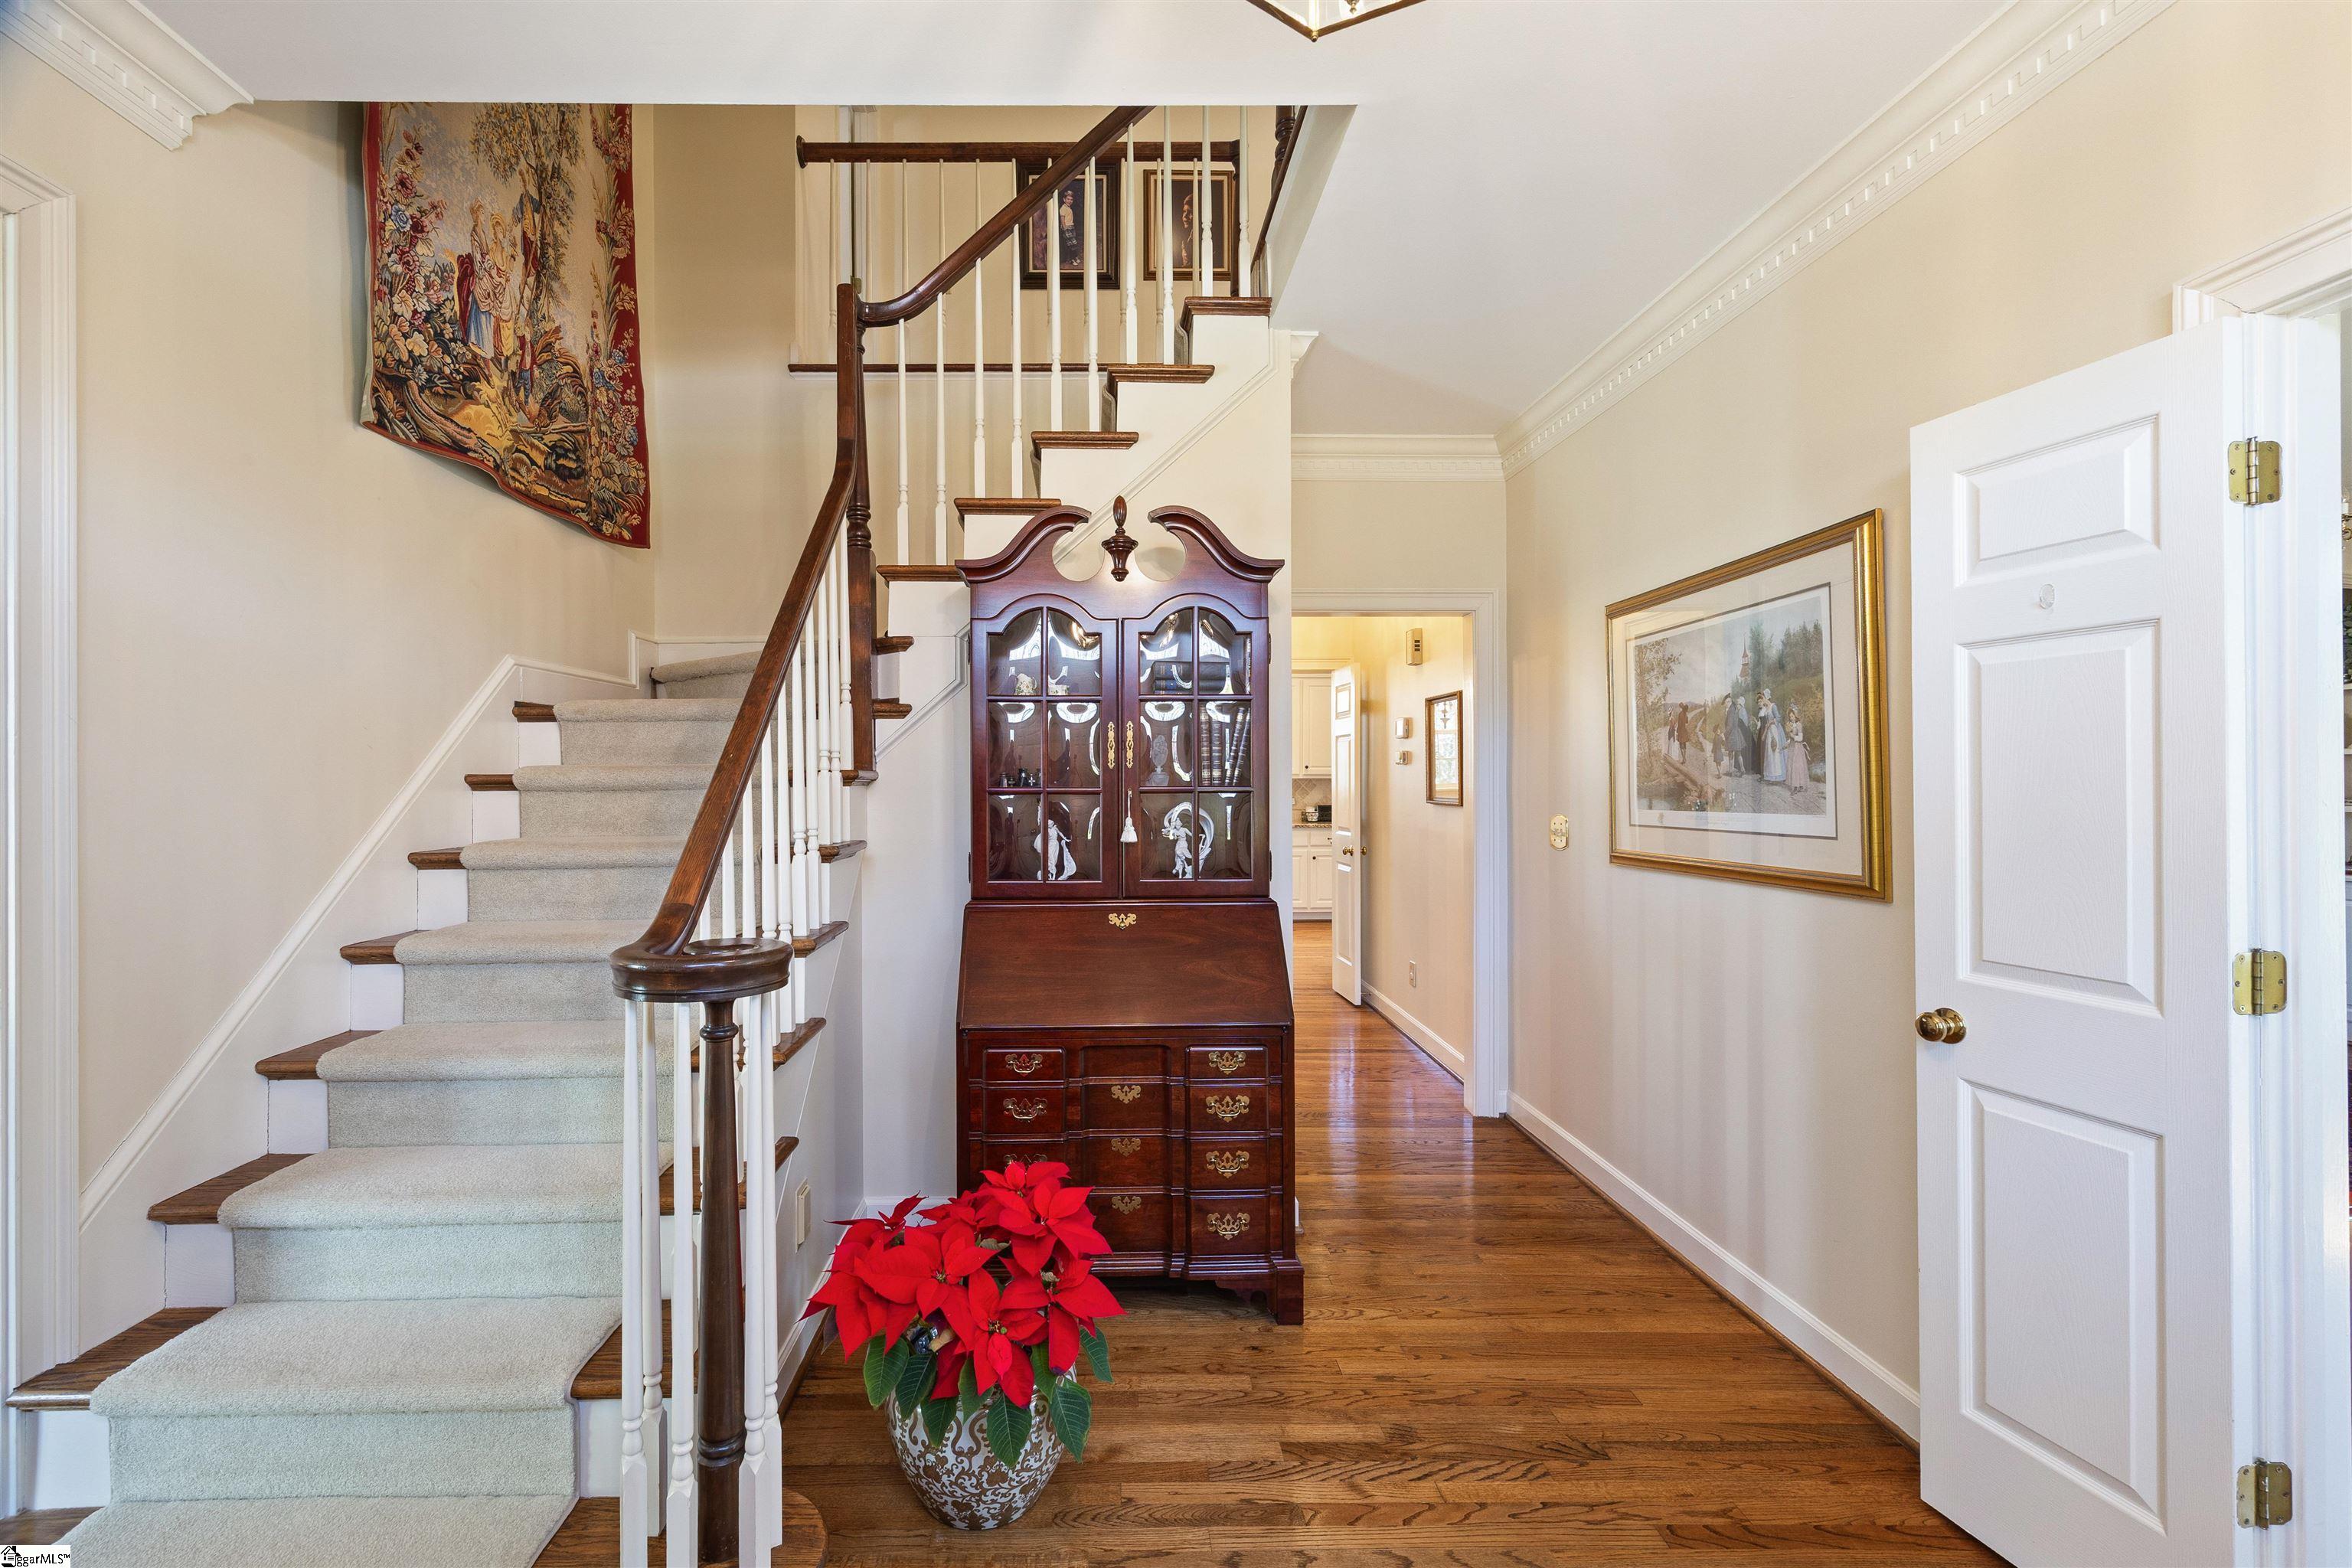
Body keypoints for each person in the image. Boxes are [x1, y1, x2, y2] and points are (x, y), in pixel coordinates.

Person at [1758, 688, 1785, 785]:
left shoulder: (1773, 706)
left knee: (1775, 752)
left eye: (1763, 698)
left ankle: (1778, 776)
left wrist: (1771, 723)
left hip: (1775, 730)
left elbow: (1778, 718)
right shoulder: (1766, 709)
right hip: (1769, 731)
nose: (1763, 701)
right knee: (1770, 753)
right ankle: (1772, 776)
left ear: (1767, 698)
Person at [1785, 710, 1812, 800]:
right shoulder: (1790, 725)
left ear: (1796, 716)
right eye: (1790, 717)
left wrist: (1792, 736)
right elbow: (1790, 738)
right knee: (1792, 766)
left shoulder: (1799, 725)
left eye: (1793, 716)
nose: (1791, 718)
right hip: (1792, 747)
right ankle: (1797, 785)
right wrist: (1787, 742)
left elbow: (1800, 738)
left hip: (1798, 748)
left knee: (1797, 766)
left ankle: (1797, 786)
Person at [1723, 694, 1752, 777]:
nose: (1725, 705)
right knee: (1738, 753)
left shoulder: (1730, 711)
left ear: (1728, 702)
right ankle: (1742, 770)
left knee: (1730, 753)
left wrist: (1724, 735)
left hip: (1732, 735)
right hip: (1737, 733)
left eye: (1725, 703)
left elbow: (1729, 726)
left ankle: (1730, 772)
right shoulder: (1735, 708)